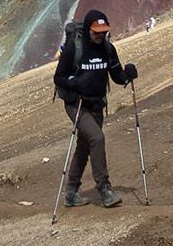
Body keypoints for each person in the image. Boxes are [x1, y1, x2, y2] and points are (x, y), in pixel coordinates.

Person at [51, 11, 136, 208]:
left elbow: (117, 76)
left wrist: (128, 74)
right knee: (96, 138)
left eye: (104, 32)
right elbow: (59, 77)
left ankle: (71, 192)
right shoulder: (75, 47)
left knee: (85, 146)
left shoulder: (107, 49)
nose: (100, 36)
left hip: (97, 104)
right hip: (76, 104)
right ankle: (104, 189)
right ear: (88, 29)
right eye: (97, 32)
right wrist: (76, 83)